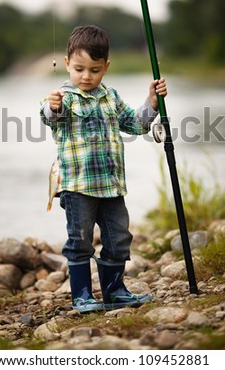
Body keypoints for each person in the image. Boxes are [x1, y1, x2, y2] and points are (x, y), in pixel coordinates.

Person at [40, 25, 167, 312]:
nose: (86, 76)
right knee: (80, 240)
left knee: (119, 238)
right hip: (77, 187)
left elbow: (135, 124)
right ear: (67, 63)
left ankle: (114, 291)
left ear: (106, 67)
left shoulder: (111, 96)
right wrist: (53, 106)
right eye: (79, 68)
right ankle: (82, 295)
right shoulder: (64, 97)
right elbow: (49, 117)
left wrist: (152, 102)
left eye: (94, 70)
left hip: (111, 186)